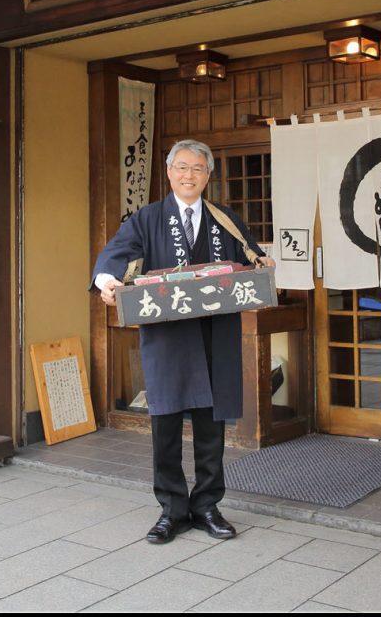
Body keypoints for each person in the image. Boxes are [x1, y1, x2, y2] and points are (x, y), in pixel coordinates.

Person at [91, 139, 275, 545]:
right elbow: (113, 257)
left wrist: (263, 264)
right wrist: (109, 284)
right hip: (168, 338)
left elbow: (253, 260)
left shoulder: (225, 220)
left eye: (197, 168)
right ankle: (172, 509)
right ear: (170, 172)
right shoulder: (147, 219)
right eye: (182, 167)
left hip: (214, 335)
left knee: (211, 425)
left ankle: (207, 504)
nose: (189, 175)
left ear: (208, 176)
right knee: (167, 423)